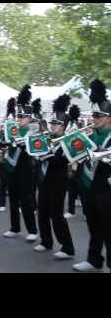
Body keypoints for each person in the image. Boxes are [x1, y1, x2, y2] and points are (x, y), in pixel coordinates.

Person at [73, 79, 111, 272]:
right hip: (89, 186)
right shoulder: (92, 134)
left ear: (109, 118)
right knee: (94, 225)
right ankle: (94, 259)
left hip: (107, 189)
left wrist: (94, 149)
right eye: (93, 115)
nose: (93, 119)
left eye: (98, 115)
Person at [33, 94, 75, 260]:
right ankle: (46, 241)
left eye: (56, 124)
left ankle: (67, 247)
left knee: (56, 213)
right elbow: (36, 152)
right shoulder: (47, 138)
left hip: (58, 181)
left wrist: (44, 155)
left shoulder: (68, 141)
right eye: (52, 123)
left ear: (63, 126)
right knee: (42, 211)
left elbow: (60, 160)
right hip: (44, 180)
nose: (53, 126)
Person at [1, 85, 39, 242]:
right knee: (13, 199)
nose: (19, 119)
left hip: (26, 169)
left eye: (22, 117)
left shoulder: (34, 130)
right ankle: (14, 227)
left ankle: (32, 230)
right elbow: (3, 143)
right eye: (18, 117)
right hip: (11, 168)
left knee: (26, 200)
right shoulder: (12, 129)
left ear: (29, 117)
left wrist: (24, 142)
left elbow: (35, 150)